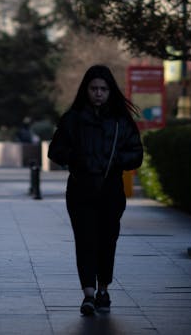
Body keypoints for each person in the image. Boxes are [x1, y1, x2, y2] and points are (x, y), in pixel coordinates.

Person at [48, 64, 143, 317]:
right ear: (86, 90)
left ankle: (103, 289)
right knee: (85, 240)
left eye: (103, 89)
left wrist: (116, 161)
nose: (98, 93)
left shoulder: (122, 122)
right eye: (93, 89)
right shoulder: (73, 119)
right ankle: (88, 294)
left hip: (111, 189)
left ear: (110, 91)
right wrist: (77, 159)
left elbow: (136, 154)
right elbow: (55, 151)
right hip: (81, 189)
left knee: (107, 240)